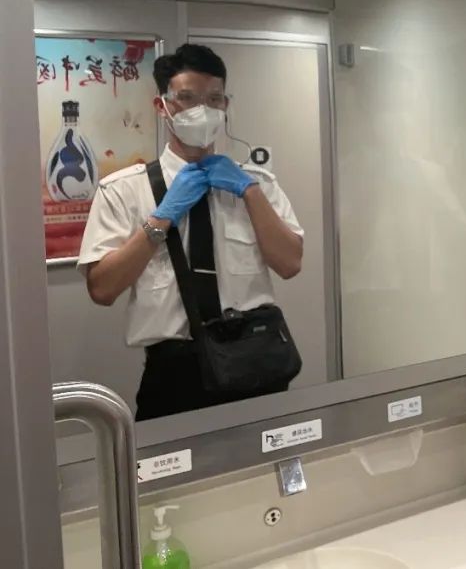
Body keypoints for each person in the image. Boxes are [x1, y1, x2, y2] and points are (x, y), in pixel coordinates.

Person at [78, 43, 304, 421]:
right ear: (162, 105)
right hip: (175, 372)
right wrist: (161, 218)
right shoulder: (124, 190)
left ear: (226, 105)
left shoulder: (258, 184)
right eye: (187, 98)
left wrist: (249, 192)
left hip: (257, 358)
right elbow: (102, 289)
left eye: (214, 99)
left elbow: (290, 263)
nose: (202, 110)